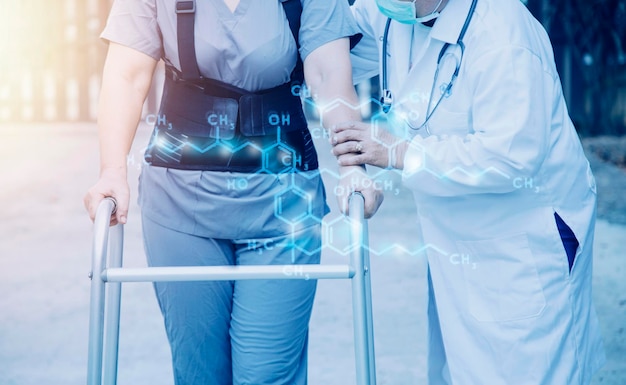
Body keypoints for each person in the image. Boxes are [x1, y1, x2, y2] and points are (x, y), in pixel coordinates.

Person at [83, 0, 382, 384]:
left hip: (284, 208)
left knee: (267, 375)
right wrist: (111, 171)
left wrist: (351, 166)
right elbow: (128, 74)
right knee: (199, 373)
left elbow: (328, 74)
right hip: (179, 208)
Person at [331, 0, 606, 383]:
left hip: (521, 245)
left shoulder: (502, 33)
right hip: (456, 238)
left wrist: (399, 152)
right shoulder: (394, 11)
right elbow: (331, 48)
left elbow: (511, 156)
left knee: (529, 371)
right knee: (461, 368)